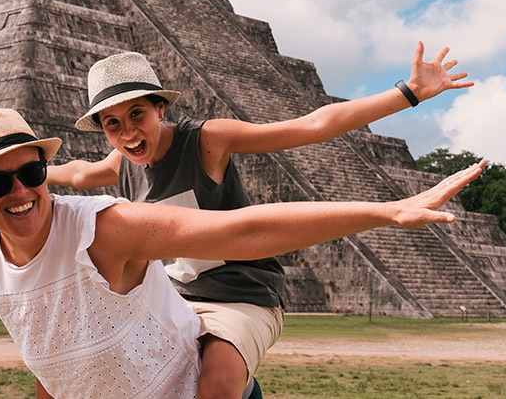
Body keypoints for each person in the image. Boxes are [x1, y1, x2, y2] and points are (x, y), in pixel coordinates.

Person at [0, 107, 484, 399]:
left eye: (33, 172)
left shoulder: (109, 227)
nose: (19, 190)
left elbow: (243, 232)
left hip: (206, 344)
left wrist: (384, 211)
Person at [47, 43, 472, 398]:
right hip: (172, 302)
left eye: (137, 114)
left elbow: (311, 126)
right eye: (112, 124)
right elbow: (73, 173)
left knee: (215, 386)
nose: (128, 134)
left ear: (160, 107)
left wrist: (408, 92)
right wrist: (14, 173)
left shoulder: (206, 141)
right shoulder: (119, 165)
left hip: (240, 297)